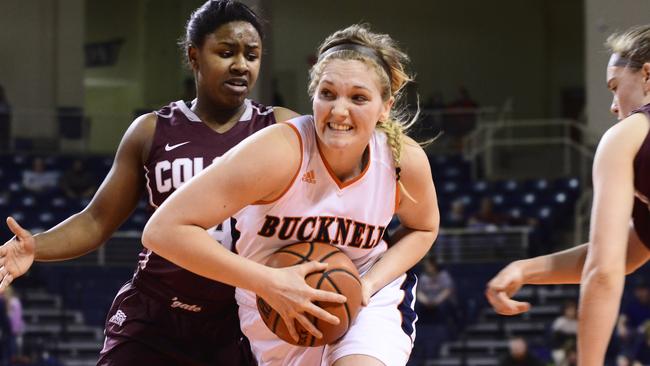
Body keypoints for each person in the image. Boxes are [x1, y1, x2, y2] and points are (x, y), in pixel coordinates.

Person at [0, 1, 298, 365]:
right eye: (226, 52)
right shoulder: (151, 130)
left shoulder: (282, 129)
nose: (241, 64)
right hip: (155, 314)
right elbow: (96, 221)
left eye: (252, 55)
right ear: (194, 56)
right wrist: (35, 247)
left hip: (235, 320)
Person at [142, 23, 439, 366]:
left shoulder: (403, 160)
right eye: (327, 94)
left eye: (358, 98)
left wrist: (368, 284)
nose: (339, 111)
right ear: (313, 96)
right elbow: (162, 230)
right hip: (272, 307)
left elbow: (424, 228)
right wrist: (269, 282)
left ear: (384, 107)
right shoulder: (277, 152)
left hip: (364, 300)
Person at [485, 24, 650, 366]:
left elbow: (604, 271)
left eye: (615, 87)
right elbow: (628, 254)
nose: (613, 106)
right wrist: (526, 269)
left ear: (647, 75)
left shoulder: (628, 136)